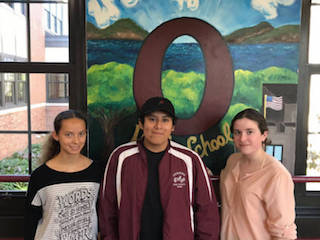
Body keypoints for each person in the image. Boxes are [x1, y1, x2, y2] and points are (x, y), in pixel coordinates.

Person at [99, 96, 220, 240]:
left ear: (173, 126)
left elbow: (207, 213)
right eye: (152, 119)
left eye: (165, 120)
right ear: (141, 123)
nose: (158, 126)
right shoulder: (120, 158)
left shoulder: (190, 160)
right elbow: (107, 209)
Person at [25, 110, 103, 240]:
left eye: (81, 134)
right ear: (56, 135)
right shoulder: (41, 176)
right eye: (68, 135)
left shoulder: (97, 171)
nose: (76, 141)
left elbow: (103, 215)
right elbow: (30, 221)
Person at [220, 108, 297, 240]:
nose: (242, 138)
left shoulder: (276, 174)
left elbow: (284, 232)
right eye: (237, 132)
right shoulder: (232, 161)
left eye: (249, 132)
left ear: (264, 135)